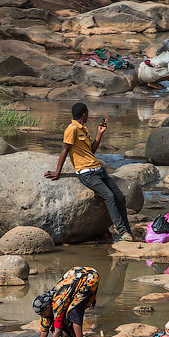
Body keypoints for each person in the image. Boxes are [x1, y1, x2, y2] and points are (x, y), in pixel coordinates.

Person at [43, 102, 133, 243]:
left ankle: (128, 230)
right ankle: (122, 232)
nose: (89, 115)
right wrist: (57, 172)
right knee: (109, 196)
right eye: (88, 113)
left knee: (120, 197)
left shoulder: (83, 129)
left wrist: (99, 134)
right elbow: (65, 150)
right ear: (84, 114)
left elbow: (90, 151)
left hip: (98, 170)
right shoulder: (71, 129)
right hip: (86, 173)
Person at [34, 266, 100, 337]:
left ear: (48, 307)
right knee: (58, 319)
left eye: (42, 314)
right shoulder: (45, 307)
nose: (42, 316)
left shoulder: (58, 302)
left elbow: (57, 331)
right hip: (76, 277)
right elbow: (44, 330)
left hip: (89, 277)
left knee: (73, 311)